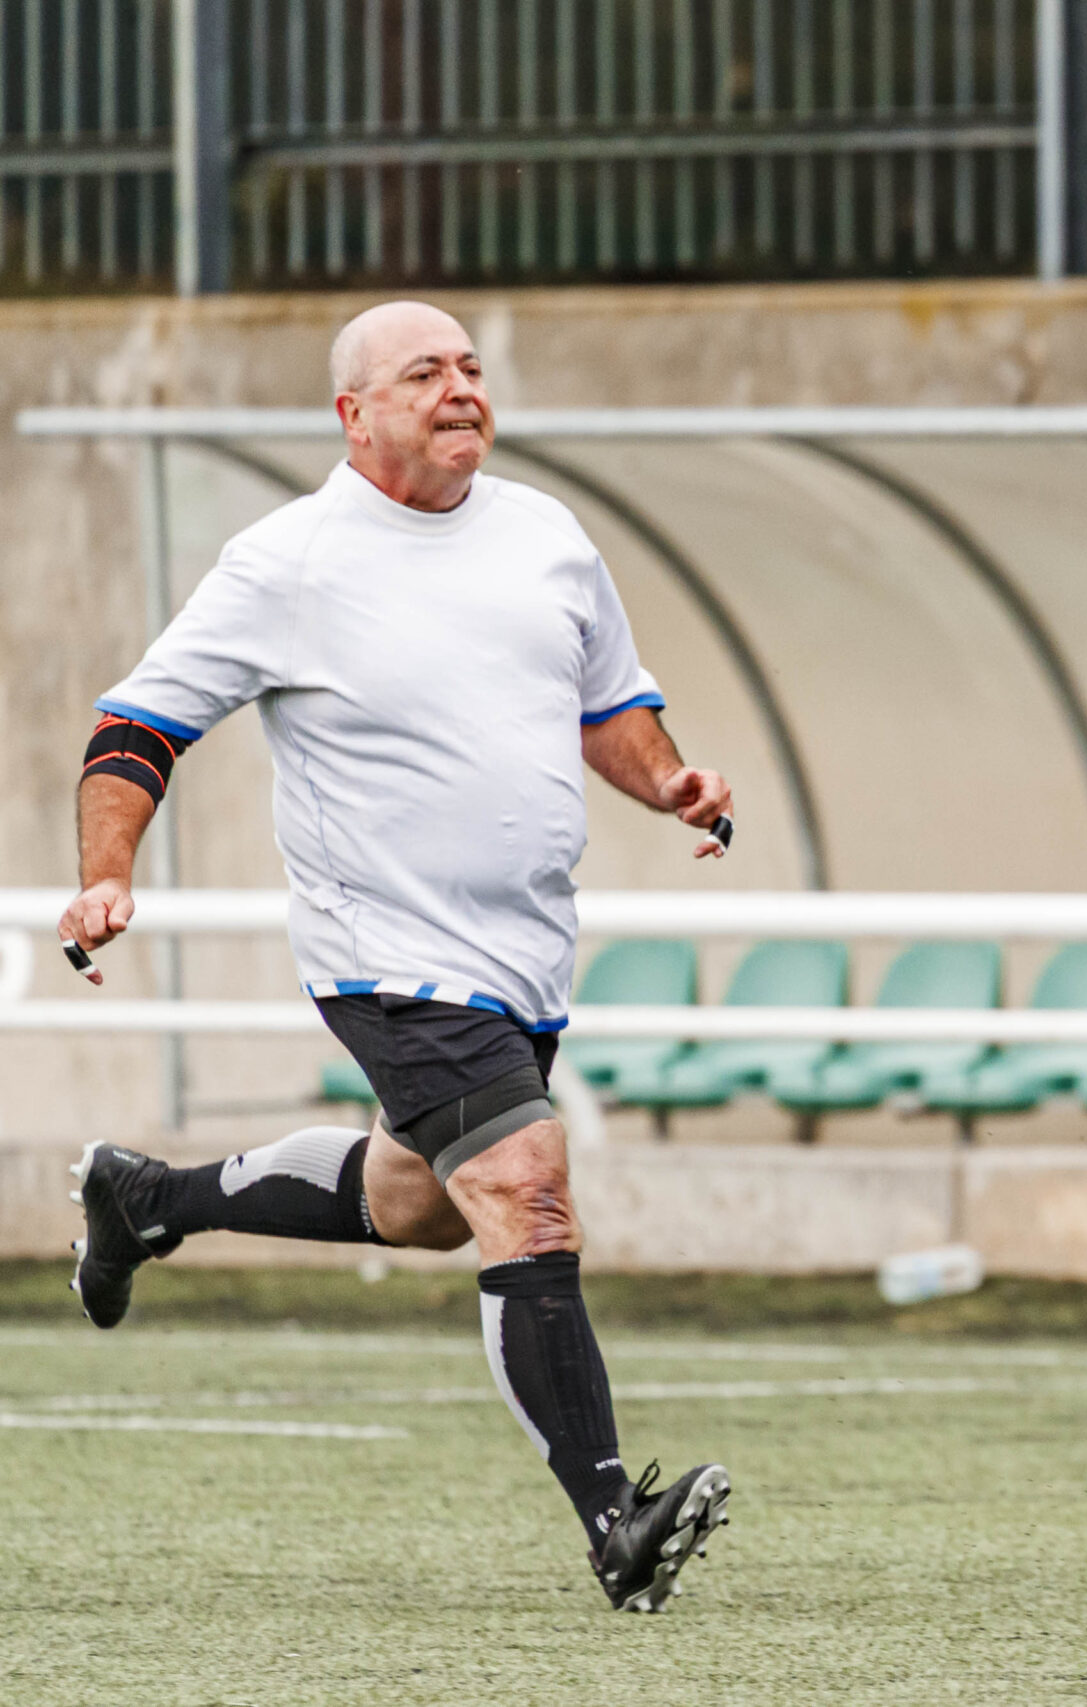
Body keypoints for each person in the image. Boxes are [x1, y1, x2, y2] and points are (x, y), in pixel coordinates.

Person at [60, 301, 737, 1615]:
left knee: (425, 1204)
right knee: (527, 1190)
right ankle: (617, 1522)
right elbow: (137, 726)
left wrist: (670, 782)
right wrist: (105, 872)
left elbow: (610, 703)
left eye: (471, 368)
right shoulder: (287, 562)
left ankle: (147, 1200)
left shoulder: (547, 535)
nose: (460, 388)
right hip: (387, 953)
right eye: (424, 372)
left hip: (523, 956)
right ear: (353, 413)